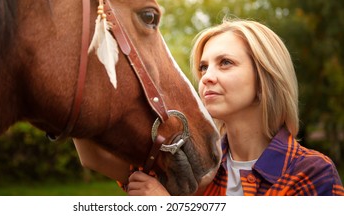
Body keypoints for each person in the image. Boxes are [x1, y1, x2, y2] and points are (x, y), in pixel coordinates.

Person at [127, 19, 344, 196]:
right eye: (203, 67)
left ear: (264, 80)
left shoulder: (312, 173)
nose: (206, 77)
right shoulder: (198, 167)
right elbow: (101, 154)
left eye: (225, 63)